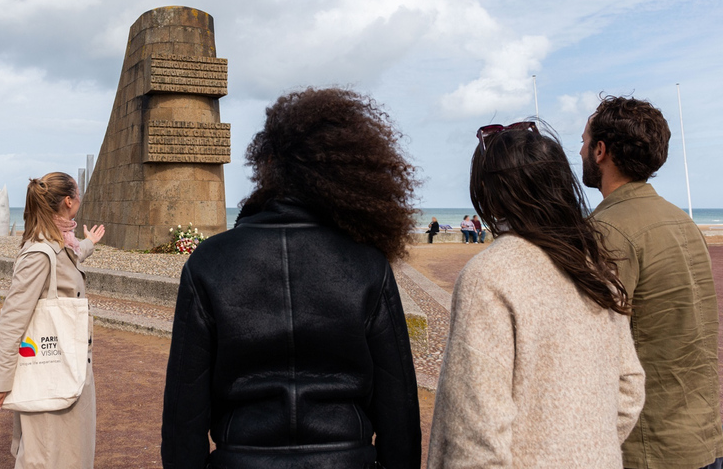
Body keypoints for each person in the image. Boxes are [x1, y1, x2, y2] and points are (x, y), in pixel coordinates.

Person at [161, 88, 422, 469]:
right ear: (343, 172)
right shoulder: (368, 264)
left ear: (266, 163)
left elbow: (184, 408)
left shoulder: (210, 261)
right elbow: (398, 406)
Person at [428, 122, 645, 468]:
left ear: (491, 190)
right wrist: (582, 447)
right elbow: (630, 388)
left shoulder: (490, 274)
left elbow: (473, 439)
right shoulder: (597, 267)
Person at [581, 96, 723, 469]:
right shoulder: (681, 221)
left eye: (583, 142)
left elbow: (592, 351)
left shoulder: (606, 231)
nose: (579, 150)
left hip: (649, 445)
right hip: (702, 434)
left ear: (600, 151)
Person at [0, 172, 105, 469]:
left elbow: (71, 258)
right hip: (51, 374)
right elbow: (13, 317)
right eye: (77, 195)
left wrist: (88, 243)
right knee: (47, 458)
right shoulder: (40, 252)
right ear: (68, 201)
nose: (79, 200)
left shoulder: (60, 242)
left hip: (67, 373)